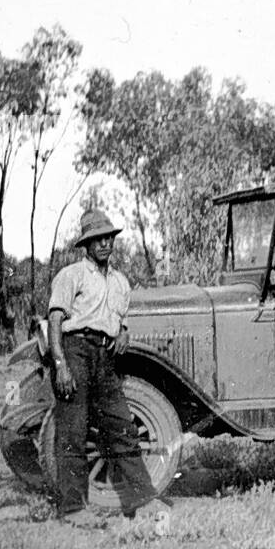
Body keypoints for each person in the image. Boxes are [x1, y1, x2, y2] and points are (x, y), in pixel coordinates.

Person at [46, 209, 169, 526]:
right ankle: (72, 510)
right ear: (85, 245)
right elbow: (56, 322)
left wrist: (123, 332)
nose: (104, 244)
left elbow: (120, 320)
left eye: (108, 237)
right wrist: (61, 365)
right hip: (75, 351)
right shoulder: (71, 275)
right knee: (73, 430)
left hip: (105, 358)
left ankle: (143, 500)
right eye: (96, 239)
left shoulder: (120, 282)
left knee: (123, 427)